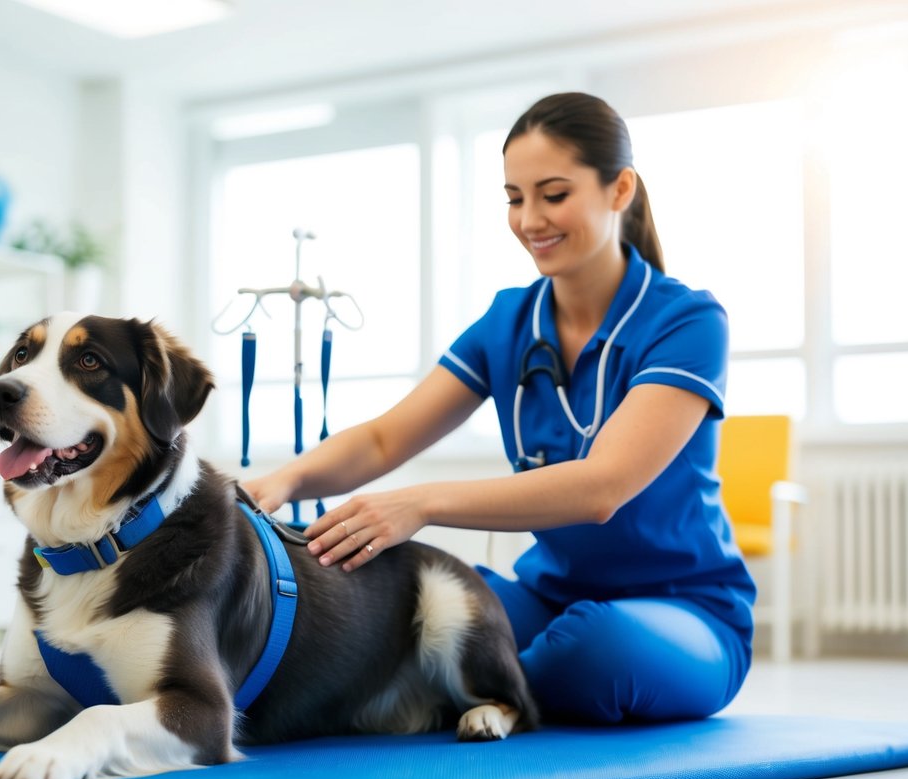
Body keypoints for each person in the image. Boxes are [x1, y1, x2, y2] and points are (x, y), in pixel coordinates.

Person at [243, 92, 756, 725]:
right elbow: (383, 441)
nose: (530, 219)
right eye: (515, 198)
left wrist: (421, 503)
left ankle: (454, 687)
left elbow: (603, 488)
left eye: (554, 194)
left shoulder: (687, 321)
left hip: (686, 615)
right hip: (548, 599)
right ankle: (464, 684)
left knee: (598, 650)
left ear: (619, 189)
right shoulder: (508, 321)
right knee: (398, 613)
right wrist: (282, 479)